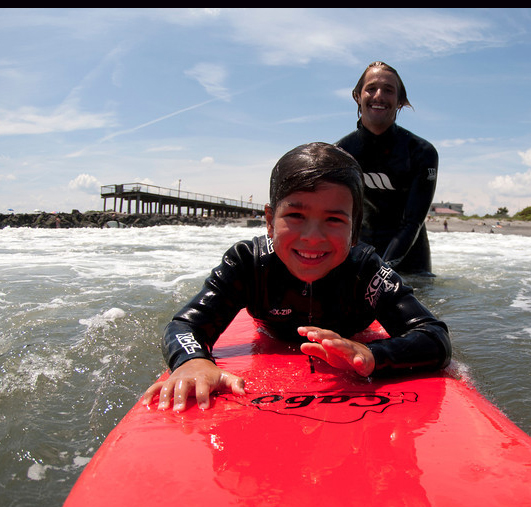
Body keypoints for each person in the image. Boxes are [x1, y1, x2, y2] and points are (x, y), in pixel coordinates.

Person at [141, 143, 452, 412]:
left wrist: (372, 355)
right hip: (272, 333)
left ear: (355, 230)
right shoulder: (248, 263)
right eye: (295, 216)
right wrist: (192, 360)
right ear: (269, 221)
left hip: (354, 335)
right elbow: (184, 325)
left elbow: (434, 338)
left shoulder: (366, 269)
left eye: (333, 219)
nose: (312, 237)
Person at [336, 61, 439, 276]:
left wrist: (382, 269)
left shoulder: (421, 152)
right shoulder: (340, 153)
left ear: (400, 101)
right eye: (371, 88)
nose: (379, 96)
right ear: (357, 96)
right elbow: (334, 216)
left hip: (411, 264)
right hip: (358, 258)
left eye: (389, 90)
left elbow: (412, 222)